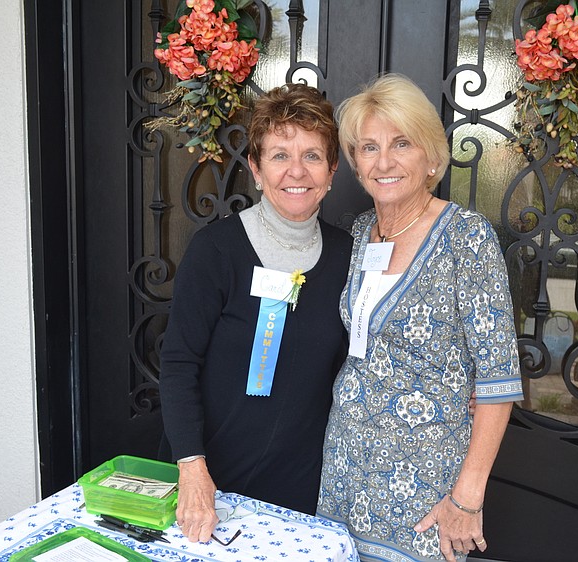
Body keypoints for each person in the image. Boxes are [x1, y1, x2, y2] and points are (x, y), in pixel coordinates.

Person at [316, 74, 523, 562]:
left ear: (431, 156)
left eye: (401, 144)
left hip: (425, 482)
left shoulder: (466, 237)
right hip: (345, 467)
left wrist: (467, 497)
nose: (384, 161)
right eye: (369, 148)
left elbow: (498, 377)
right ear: (356, 163)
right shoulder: (361, 232)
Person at [158, 83, 352, 543]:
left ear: (331, 171)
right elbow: (179, 363)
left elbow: (359, 359)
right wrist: (192, 467)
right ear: (256, 169)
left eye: (312, 156)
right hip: (208, 483)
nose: (296, 171)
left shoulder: (348, 255)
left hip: (298, 486)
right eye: (280, 155)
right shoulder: (216, 250)